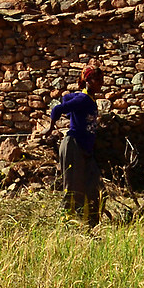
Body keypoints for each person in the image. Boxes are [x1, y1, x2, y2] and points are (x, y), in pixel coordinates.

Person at [49, 64, 104, 228]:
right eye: (97, 79)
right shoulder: (83, 99)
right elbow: (58, 108)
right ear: (88, 81)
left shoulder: (89, 99)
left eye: (101, 79)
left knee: (95, 187)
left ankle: (91, 225)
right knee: (73, 187)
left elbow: (66, 98)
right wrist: (50, 128)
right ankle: (68, 224)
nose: (100, 83)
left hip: (85, 149)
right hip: (73, 146)